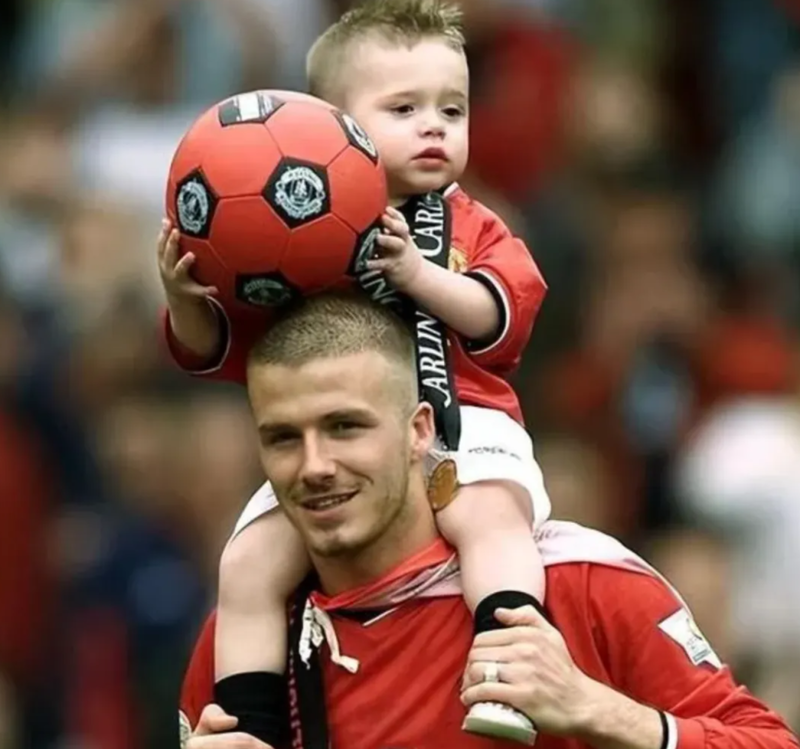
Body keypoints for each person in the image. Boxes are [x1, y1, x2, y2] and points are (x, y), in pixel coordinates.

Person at [159, 0, 549, 744]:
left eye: (453, 110)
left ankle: (511, 673)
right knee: (248, 563)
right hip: (337, 454)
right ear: (333, 125)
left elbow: (501, 315)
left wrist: (420, 276)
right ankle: (252, 725)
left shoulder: (473, 222)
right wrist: (184, 299)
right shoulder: (291, 224)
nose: (434, 126)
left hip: (465, 430)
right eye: (404, 109)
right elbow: (219, 349)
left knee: (489, 522)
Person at [179, 291, 799, 749]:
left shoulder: (580, 586)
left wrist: (597, 709)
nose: (315, 465)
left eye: (345, 427)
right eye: (284, 438)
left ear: (420, 430)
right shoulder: (247, 645)